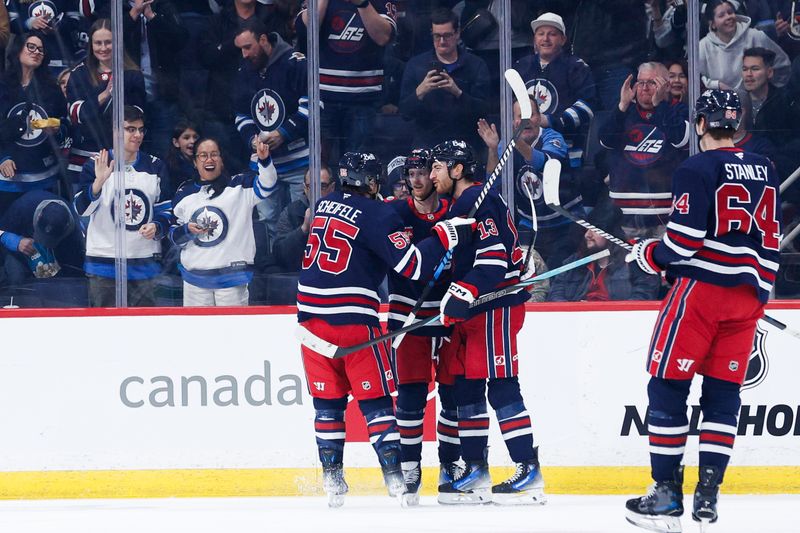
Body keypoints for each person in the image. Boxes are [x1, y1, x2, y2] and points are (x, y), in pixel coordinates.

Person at [625, 90, 782, 532]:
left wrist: (649, 255)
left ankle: (667, 495)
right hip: (748, 297)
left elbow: (682, 243)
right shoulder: (766, 167)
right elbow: (771, 239)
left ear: (699, 125)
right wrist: (760, 291)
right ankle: (707, 499)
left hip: (701, 294)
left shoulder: (696, 166)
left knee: (667, 387)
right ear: (734, 125)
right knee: (723, 396)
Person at [296, 150, 475, 507]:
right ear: (372, 181)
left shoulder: (323, 204)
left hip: (309, 319)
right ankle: (396, 482)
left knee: (327, 405)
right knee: (376, 403)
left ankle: (333, 482)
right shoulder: (378, 213)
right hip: (351, 321)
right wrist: (444, 234)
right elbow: (413, 265)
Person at [429, 139, 545, 505]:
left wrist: (462, 292)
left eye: (437, 167)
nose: (432, 176)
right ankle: (476, 468)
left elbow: (494, 262)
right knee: (466, 388)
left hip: (496, 305)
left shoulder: (481, 200)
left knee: (502, 386)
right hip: (476, 311)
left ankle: (528, 469)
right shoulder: (463, 204)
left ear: (458, 169)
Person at [385, 148, 463, 506]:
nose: (415, 180)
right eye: (410, 174)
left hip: (447, 316)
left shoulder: (456, 210)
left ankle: (450, 465)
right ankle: (410, 466)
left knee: (452, 397)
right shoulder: (395, 213)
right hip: (408, 318)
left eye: (421, 172)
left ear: (433, 175)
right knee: (412, 400)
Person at [74, 106, 171, 307]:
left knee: (144, 332)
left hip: (143, 262)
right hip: (104, 264)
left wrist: (157, 225)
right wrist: (98, 182)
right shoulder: (95, 164)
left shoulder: (155, 166)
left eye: (141, 130)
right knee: (104, 332)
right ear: (116, 131)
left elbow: (167, 210)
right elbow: (81, 210)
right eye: (130, 129)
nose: (137, 135)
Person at [477, 94, 583, 271]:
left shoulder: (553, 138)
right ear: (512, 121)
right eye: (519, 116)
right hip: (529, 226)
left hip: (566, 223)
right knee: (525, 273)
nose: (525, 120)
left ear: (539, 118)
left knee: (558, 273)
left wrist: (516, 141)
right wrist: (493, 150)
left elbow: (545, 163)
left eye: (531, 114)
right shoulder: (507, 144)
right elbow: (493, 184)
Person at [170, 136, 277, 307]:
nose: (209, 159)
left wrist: (264, 161)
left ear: (222, 160)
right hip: (195, 281)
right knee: (197, 333)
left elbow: (268, 185)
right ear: (195, 162)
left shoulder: (240, 186)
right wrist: (186, 230)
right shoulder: (185, 193)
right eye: (203, 155)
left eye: (214, 154)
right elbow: (173, 236)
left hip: (232, 279)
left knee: (232, 333)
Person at [233, 18, 309, 240]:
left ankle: (298, 269)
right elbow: (241, 115)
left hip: (299, 160)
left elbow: (313, 106)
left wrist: (283, 133)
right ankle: (272, 267)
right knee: (267, 222)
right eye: (240, 49)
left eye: (248, 47)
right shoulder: (244, 70)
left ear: (263, 39)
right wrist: (252, 141)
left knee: (300, 219)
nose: (244, 54)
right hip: (264, 164)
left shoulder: (296, 63)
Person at [297, 0, 397, 164]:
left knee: (357, 168)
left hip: (363, 99)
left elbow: (383, 37)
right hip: (322, 99)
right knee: (318, 166)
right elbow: (306, 31)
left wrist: (362, 3)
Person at [598, 61, 690, 239]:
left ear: (667, 86)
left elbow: (682, 140)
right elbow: (605, 141)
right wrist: (622, 106)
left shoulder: (678, 111)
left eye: (652, 82)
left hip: (667, 217)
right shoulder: (624, 113)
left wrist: (660, 107)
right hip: (626, 218)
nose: (645, 88)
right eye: (641, 82)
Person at [65, 18, 146, 185]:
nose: (103, 48)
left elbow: (139, 116)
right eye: (98, 43)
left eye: (108, 42)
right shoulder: (79, 74)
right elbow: (75, 115)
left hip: (121, 158)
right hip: (83, 158)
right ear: (91, 45)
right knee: (84, 208)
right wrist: (105, 95)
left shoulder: (133, 75)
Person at [398, 7, 489, 152]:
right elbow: (404, 113)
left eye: (447, 35)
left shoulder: (476, 65)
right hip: (426, 144)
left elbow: (483, 111)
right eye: (436, 36)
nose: (441, 41)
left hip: (465, 144)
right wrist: (421, 91)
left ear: (457, 33)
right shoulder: (416, 65)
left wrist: (458, 92)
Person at [514, 12, 597, 170]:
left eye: (552, 34)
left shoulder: (576, 67)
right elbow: (509, 105)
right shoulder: (521, 66)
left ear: (563, 39)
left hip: (566, 147)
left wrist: (552, 121)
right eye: (541, 34)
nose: (545, 39)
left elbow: (587, 106)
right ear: (535, 39)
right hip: (525, 144)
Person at [0, 33, 68, 212]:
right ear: (18, 50)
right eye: (31, 46)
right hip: (8, 181)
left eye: (41, 49)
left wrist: (58, 131)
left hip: (44, 177)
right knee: (9, 234)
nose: (36, 52)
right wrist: (2, 158)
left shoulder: (52, 89)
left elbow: (67, 125)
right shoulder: (2, 85)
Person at [547, 204, 660, 301]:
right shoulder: (574, 263)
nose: (588, 235)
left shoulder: (635, 262)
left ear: (611, 235)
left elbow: (645, 295)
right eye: (587, 229)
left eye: (595, 230)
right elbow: (556, 293)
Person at [699, 0, 790, 91]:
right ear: (713, 24)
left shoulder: (756, 36)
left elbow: (783, 66)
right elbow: (697, 80)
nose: (728, 17)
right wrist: (716, 85)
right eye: (722, 15)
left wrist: (769, 91)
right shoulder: (703, 47)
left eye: (730, 12)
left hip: (759, 102)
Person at [0, 190, 83, 284]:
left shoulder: (77, 233)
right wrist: (13, 240)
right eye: (42, 236)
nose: (43, 243)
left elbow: (75, 269)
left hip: (55, 257)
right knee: (17, 277)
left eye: (50, 240)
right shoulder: (24, 206)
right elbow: (2, 229)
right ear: (38, 216)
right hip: (18, 250)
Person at [271, 164, 336, 273]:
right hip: (300, 272)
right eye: (312, 186)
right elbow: (279, 254)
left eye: (322, 186)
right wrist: (303, 229)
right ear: (305, 188)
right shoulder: (291, 212)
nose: (317, 191)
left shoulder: (343, 211)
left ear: (332, 188)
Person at [6, 0, 86, 77]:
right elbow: (9, 23)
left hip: (59, 51)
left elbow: (75, 19)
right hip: (25, 50)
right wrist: (29, 23)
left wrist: (58, 26)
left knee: (59, 84)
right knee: (24, 83)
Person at [164, 119, 200, 198]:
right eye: (186, 138)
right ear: (176, 143)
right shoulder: (170, 168)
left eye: (195, 137)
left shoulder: (205, 163)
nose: (192, 141)